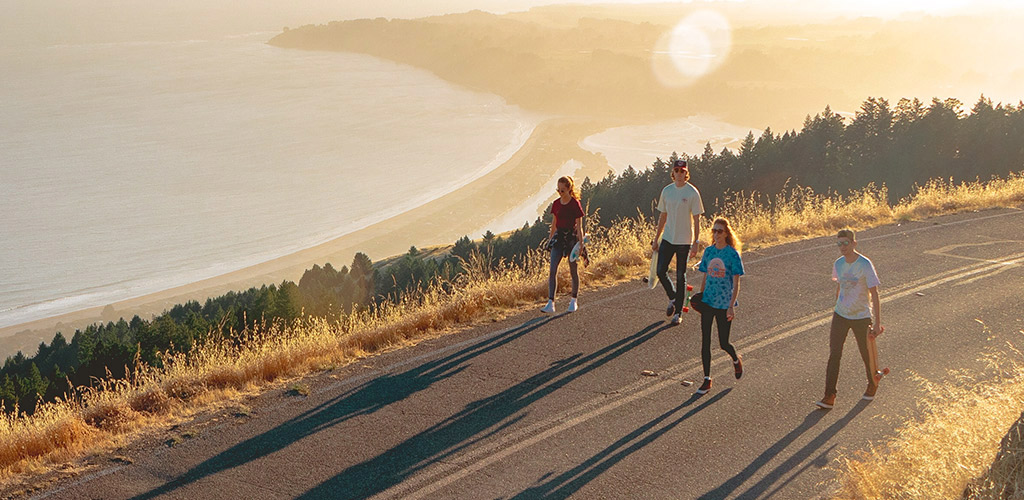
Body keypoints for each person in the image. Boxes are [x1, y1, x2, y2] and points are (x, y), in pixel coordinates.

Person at [816, 228, 883, 409]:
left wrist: (877, 322)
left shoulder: (865, 264)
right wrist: (837, 305)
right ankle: (829, 395)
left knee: (865, 353)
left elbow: (874, 293)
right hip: (841, 314)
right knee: (834, 354)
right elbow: (840, 286)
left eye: (846, 243)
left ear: (854, 243)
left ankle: (872, 382)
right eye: (839, 244)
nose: (842, 247)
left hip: (861, 316)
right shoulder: (838, 264)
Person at [693, 217, 744, 395]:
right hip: (708, 301)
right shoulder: (708, 252)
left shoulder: (732, 254)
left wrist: (731, 306)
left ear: (726, 233)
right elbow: (705, 276)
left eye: (719, 231)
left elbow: (736, 283)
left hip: (724, 304)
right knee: (705, 340)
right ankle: (707, 379)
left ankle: (736, 359)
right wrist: (700, 297)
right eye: (714, 231)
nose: (716, 234)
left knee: (723, 342)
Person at [652, 159, 704, 325]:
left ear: (686, 173)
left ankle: (678, 312)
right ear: (672, 173)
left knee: (681, 275)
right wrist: (656, 239)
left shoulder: (692, 193)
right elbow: (663, 216)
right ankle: (674, 298)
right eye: (676, 170)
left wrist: (696, 241)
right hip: (668, 238)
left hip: (684, 241)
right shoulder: (667, 191)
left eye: (682, 171)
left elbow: (697, 219)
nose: (679, 174)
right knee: (660, 271)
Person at [541, 176, 586, 314]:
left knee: (573, 270)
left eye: (562, 190)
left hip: (571, 239)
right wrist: (550, 240)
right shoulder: (556, 204)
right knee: (552, 269)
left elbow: (579, 226)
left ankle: (573, 300)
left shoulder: (575, 204)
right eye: (558, 190)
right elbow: (554, 224)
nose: (560, 193)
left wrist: (581, 244)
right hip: (559, 238)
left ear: (568, 189)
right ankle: (551, 302)